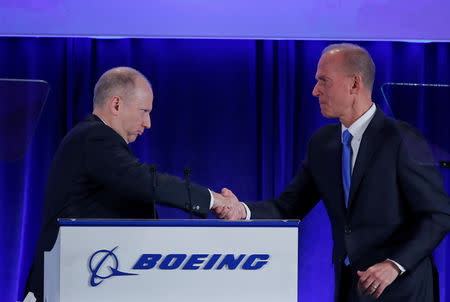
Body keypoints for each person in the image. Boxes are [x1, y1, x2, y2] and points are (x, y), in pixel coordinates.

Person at [214, 43, 450, 302]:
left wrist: (394, 265)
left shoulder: (402, 139)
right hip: (350, 289)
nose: (315, 91)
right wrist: (241, 211)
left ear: (354, 84)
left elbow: (438, 214)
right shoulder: (322, 144)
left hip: (404, 290)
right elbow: (288, 207)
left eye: (323, 81)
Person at [25, 67, 228, 301]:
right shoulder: (95, 137)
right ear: (116, 104)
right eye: (144, 111)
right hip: (66, 284)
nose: (148, 122)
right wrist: (211, 200)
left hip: (88, 283)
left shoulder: (92, 140)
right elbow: (143, 182)